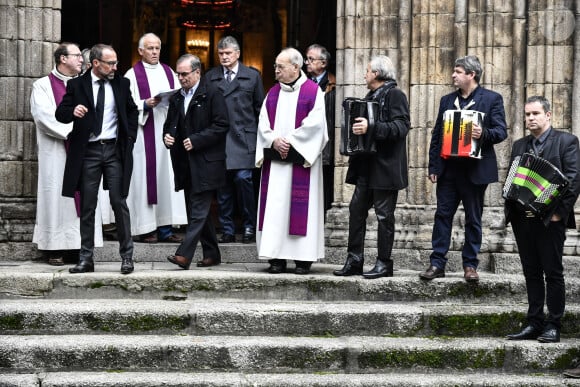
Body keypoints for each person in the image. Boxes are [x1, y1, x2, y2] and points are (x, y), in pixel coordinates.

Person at [420, 55, 507, 283]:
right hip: (449, 170)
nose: (453, 75)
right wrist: (434, 165)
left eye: (458, 71)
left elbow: (501, 131)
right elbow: (437, 135)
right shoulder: (447, 100)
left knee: (473, 219)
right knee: (442, 216)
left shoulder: (492, 99)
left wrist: (483, 134)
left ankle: (470, 265)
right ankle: (437, 263)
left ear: (471, 75)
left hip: (475, 171)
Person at [55, 44, 138, 274]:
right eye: (110, 63)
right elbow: (60, 114)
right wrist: (73, 112)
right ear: (95, 64)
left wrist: (130, 137)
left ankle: (127, 257)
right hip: (88, 152)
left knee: (119, 203)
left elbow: (132, 111)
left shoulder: (122, 83)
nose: (115, 67)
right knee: (88, 205)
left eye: (115, 62)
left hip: (114, 151)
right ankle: (86, 258)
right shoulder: (77, 85)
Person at [505, 96, 580, 343]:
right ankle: (534, 322)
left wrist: (560, 212)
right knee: (531, 272)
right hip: (522, 220)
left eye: (535, 114)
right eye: (527, 115)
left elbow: (573, 179)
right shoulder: (519, 145)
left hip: (551, 220)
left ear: (548, 115)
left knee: (553, 272)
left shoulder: (566, 142)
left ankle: (553, 324)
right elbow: (513, 177)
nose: (530, 119)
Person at [333, 55, 410, 279]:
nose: (365, 74)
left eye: (367, 71)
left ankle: (384, 263)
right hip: (366, 166)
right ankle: (354, 259)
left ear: (376, 74)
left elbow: (402, 127)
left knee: (384, 216)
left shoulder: (395, 94)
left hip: (385, 168)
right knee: (356, 211)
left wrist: (371, 126)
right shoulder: (370, 96)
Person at [256, 47, 328, 275]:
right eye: (276, 67)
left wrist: (289, 141)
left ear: (295, 68)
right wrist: (274, 140)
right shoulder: (272, 94)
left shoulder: (313, 92)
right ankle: (276, 257)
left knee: (299, 209)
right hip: (276, 164)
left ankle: (303, 259)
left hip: (300, 163)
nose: (276, 71)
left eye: (280, 66)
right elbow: (262, 124)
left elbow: (316, 125)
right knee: (276, 208)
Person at [30, 42, 103, 266]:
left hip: (82, 150)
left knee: (82, 195)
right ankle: (54, 248)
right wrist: (76, 130)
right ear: (62, 58)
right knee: (56, 196)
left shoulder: (84, 84)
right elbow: (44, 117)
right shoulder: (42, 85)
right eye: (77, 56)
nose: (82, 60)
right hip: (56, 152)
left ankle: (78, 246)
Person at [164, 54, 229, 270]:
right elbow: (170, 124)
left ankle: (184, 254)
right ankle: (212, 254)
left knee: (199, 209)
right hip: (184, 163)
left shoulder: (212, 94)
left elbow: (222, 125)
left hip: (207, 162)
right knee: (195, 210)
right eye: (178, 74)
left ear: (197, 72)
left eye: (185, 74)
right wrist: (167, 136)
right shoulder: (176, 98)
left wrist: (197, 140)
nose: (181, 78)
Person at [124, 33, 186, 243]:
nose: (154, 52)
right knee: (145, 179)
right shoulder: (132, 75)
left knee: (166, 180)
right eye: (150, 48)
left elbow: (180, 97)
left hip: (167, 132)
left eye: (157, 48)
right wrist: (143, 104)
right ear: (140, 51)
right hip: (144, 135)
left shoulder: (169, 72)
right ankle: (146, 228)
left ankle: (166, 229)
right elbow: (124, 106)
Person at [205, 36, 265, 244]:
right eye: (221, 53)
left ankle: (249, 225)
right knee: (222, 187)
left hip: (244, 139)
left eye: (228, 53)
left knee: (243, 180)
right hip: (220, 140)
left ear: (237, 54)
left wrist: (262, 139)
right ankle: (228, 228)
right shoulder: (211, 77)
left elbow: (260, 110)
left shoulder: (252, 76)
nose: (224, 57)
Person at [305, 43, 336, 215]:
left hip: (326, 142)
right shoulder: (302, 83)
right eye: (306, 58)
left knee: (325, 183)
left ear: (323, 63)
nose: (306, 63)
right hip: (305, 141)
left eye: (311, 59)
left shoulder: (334, 85)